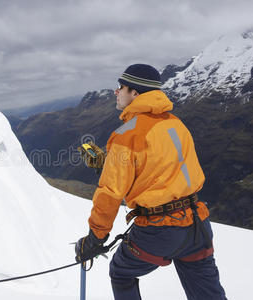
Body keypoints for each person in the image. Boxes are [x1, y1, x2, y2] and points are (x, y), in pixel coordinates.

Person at [75, 64, 227, 299]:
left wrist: (95, 238)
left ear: (135, 93)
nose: (116, 92)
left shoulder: (126, 134)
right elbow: (163, 168)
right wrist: (109, 163)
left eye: (120, 87)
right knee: (206, 291)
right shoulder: (176, 123)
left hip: (159, 231)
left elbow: (111, 192)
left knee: (121, 272)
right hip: (198, 223)